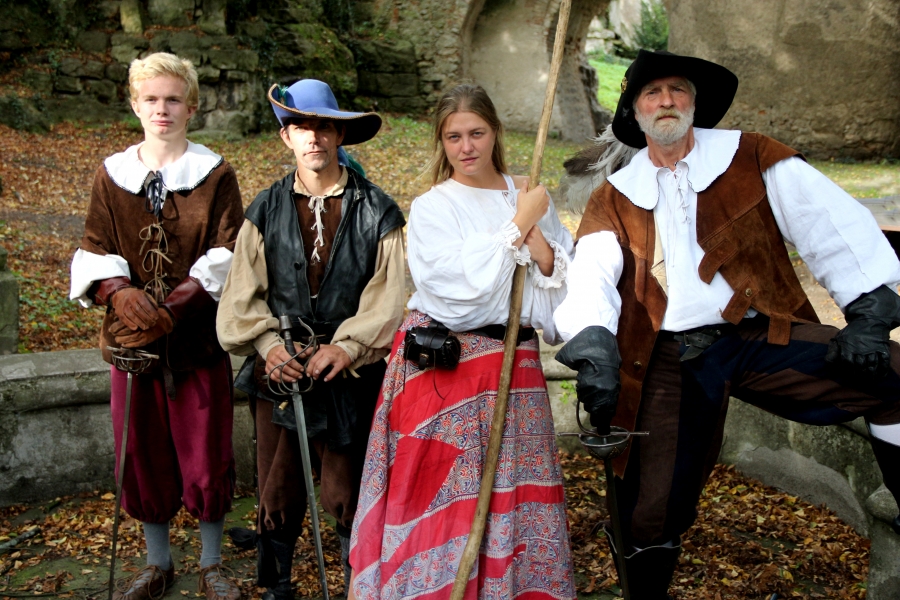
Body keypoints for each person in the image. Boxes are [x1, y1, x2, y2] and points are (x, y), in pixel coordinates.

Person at [553, 49, 900, 599]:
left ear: (694, 103)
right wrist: (594, 339)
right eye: (652, 93)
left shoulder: (751, 156)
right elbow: (592, 271)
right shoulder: (615, 196)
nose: (666, 101)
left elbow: (828, 222)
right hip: (668, 357)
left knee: (893, 373)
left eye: (677, 90)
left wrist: (868, 308)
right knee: (652, 509)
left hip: (758, 337)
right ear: (635, 112)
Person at [349, 83, 577, 600]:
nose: (466, 146)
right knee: (439, 494)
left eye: (477, 133)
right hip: (444, 372)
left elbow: (560, 292)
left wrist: (541, 250)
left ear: (495, 132)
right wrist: (518, 225)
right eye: (454, 137)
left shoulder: (530, 195)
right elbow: (457, 298)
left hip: (516, 367)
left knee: (510, 493)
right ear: (441, 141)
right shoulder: (434, 207)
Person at [215, 79, 406, 600]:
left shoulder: (379, 211)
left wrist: (347, 347)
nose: (314, 137)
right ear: (287, 137)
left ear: (339, 134)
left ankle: (356, 583)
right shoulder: (264, 209)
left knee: (346, 488)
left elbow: (389, 300)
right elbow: (240, 297)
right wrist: (268, 348)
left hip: (349, 372)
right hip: (280, 370)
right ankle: (278, 586)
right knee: (277, 487)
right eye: (301, 127)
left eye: (323, 126)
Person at [68, 53, 244, 600]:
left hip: (196, 342)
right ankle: (157, 562)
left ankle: (211, 564)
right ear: (134, 105)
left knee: (206, 453)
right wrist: (118, 294)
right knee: (141, 453)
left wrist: (175, 307)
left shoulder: (215, 174)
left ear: (192, 106)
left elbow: (228, 250)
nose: (161, 109)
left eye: (172, 99)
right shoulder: (111, 174)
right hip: (133, 346)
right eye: (151, 99)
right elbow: (95, 245)